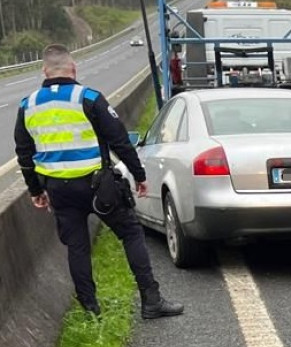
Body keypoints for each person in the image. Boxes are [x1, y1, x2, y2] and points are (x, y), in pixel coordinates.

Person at [14, 44, 184, 320]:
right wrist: (139, 176)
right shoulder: (88, 98)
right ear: (74, 68)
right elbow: (118, 140)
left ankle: (92, 311)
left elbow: (24, 153)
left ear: (44, 71)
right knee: (131, 233)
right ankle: (151, 300)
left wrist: (36, 190)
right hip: (98, 186)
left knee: (77, 247)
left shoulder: (27, 105)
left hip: (58, 189)